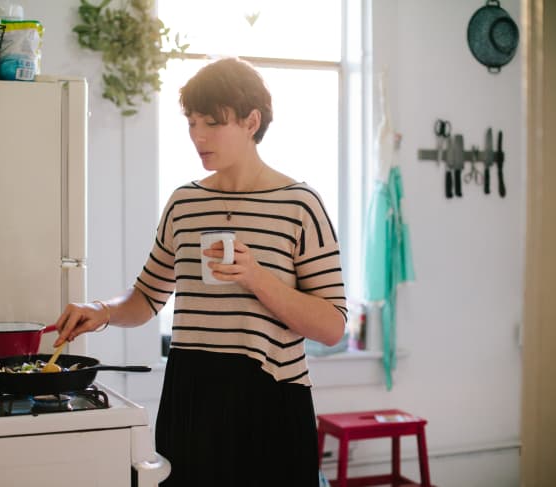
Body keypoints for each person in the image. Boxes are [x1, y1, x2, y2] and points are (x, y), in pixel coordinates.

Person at [53, 57, 347, 486]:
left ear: (251, 121)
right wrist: (100, 310)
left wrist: (256, 277)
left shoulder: (300, 204)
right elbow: (146, 298)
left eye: (211, 123)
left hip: (270, 399)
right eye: (191, 122)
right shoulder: (183, 202)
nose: (198, 136)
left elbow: (332, 326)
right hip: (190, 394)